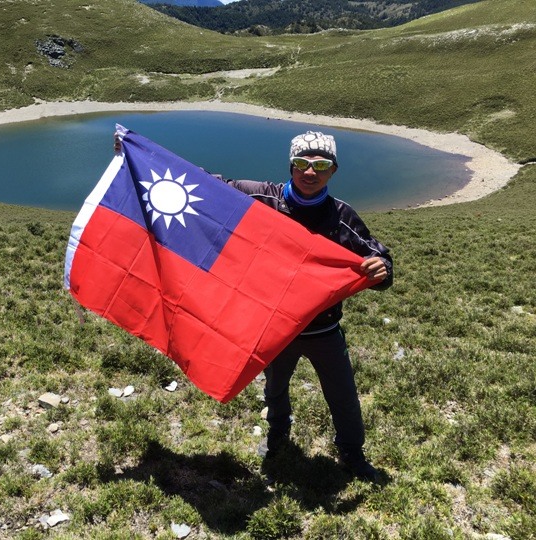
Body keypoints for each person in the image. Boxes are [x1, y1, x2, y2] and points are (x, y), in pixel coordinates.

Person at [114, 130, 393, 482]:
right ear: (290, 165)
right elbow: (205, 186)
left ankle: (352, 453)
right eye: (302, 164)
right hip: (275, 328)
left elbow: (377, 256)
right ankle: (278, 438)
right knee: (275, 388)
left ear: (333, 170)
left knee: (343, 396)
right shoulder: (260, 196)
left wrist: (381, 269)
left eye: (321, 165)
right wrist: (142, 155)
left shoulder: (341, 216)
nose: (310, 172)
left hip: (323, 329)